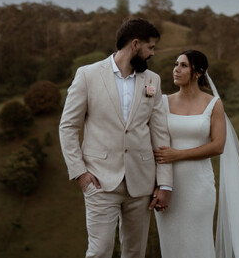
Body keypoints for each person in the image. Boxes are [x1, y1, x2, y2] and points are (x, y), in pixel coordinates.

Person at [59, 18, 173, 258]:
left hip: (141, 183)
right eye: (150, 47)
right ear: (135, 45)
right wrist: (80, 172)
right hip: (99, 181)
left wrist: (164, 183)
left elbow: (160, 134)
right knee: (99, 252)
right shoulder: (87, 75)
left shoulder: (153, 80)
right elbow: (68, 126)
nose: (152, 53)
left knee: (134, 253)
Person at [154, 50, 239, 258]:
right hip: (168, 187)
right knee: (171, 247)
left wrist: (178, 155)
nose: (176, 69)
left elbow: (218, 146)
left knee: (198, 245)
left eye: (183, 65)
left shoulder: (213, 104)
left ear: (198, 72)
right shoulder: (163, 102)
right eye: (176, 64)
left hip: (198, 188)